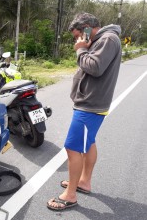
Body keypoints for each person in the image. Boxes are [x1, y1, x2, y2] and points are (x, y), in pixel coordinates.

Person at [47, 12, 122, 211]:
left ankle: (70, 196)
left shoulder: (107, 39)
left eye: (78, 35)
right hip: (91, 103)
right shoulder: (102, 39)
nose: (77, 39)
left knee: (72, 148)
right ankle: (84, 182)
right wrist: (85, 48)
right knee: (88, 143)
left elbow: (95, 67)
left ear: (87, 28)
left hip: (90, 105)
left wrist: (80, 50)